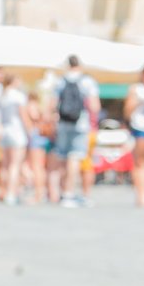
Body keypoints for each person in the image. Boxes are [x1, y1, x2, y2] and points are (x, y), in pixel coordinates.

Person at [53, 54, 100, 208]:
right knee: (74, 157)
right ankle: (69, 193)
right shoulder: (87, 81)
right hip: (81, 124)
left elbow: (52, 104)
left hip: (63, 123)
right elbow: (95, 106)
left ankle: (57, 192)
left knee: (61, 157)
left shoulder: (60, 80)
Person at [0, 72, 30, 205]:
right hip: (17, 131)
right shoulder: (18, 96)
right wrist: (30, 130)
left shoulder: (1, 95)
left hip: (5, 131)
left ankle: (2, 191)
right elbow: (23, 116)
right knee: (15, 165)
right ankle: (11, 193)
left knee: (5, 165)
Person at [24, 90, 54, 205]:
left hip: (37, 135)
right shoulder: (45, 104)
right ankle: (50, 193)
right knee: (46, 167)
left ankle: (38, 194)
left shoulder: (32, 104)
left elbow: (34, 116)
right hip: (46, 135)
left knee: (37, 167)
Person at [124, 64, 144, 207]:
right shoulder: (136, 90)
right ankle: (141, 195)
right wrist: (139, 102)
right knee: (140, 163)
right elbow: (127, 112)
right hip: (141, 129)